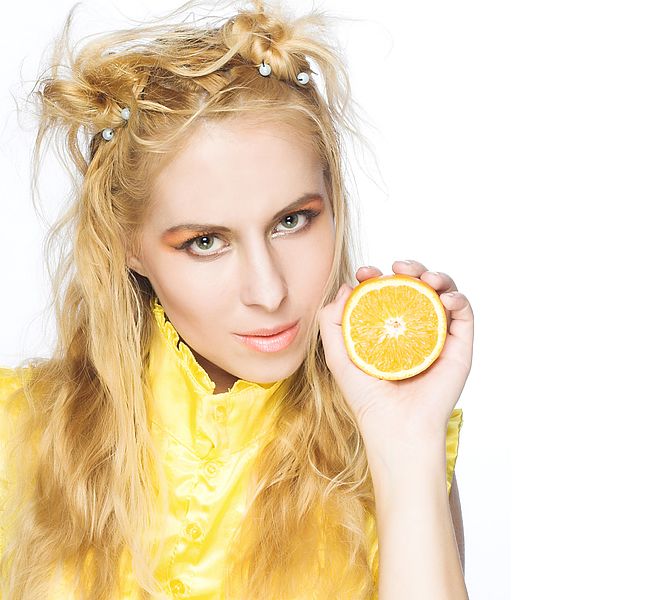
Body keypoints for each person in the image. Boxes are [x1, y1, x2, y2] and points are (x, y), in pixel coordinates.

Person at [0, 0, 473, 597]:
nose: (270, 291)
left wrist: (404, 444)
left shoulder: (385, 446)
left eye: (293, 221)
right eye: (205, 242)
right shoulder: (17, 432)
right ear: (127, 245)